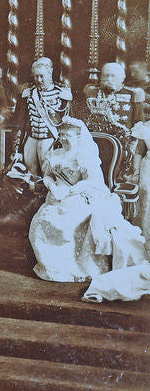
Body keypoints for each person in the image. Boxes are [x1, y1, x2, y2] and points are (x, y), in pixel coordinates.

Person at [29, 117, 147, 282]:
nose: (63, 139)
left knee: (68, 221)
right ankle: (52, 266)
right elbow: (48, 175)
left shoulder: (84, 156)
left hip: (78, 194)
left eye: (67, 136)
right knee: (41, 220)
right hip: (55, 196)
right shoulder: (55, 154)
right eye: (61, 135)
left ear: (78, 137)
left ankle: (74, 267)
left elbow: (90, 181)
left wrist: (69, 191)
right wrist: (52, 187)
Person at [12, 58, 71, 177]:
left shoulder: (61, 94)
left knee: (48, 175)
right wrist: (17, 149)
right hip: (31, 139)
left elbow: (67, 123)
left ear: (50, 74)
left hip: (49, 140)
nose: (39, 80)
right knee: (30, 176)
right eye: (36, 76)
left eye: (42, 76)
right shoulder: (28, 93)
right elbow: (20, 123)